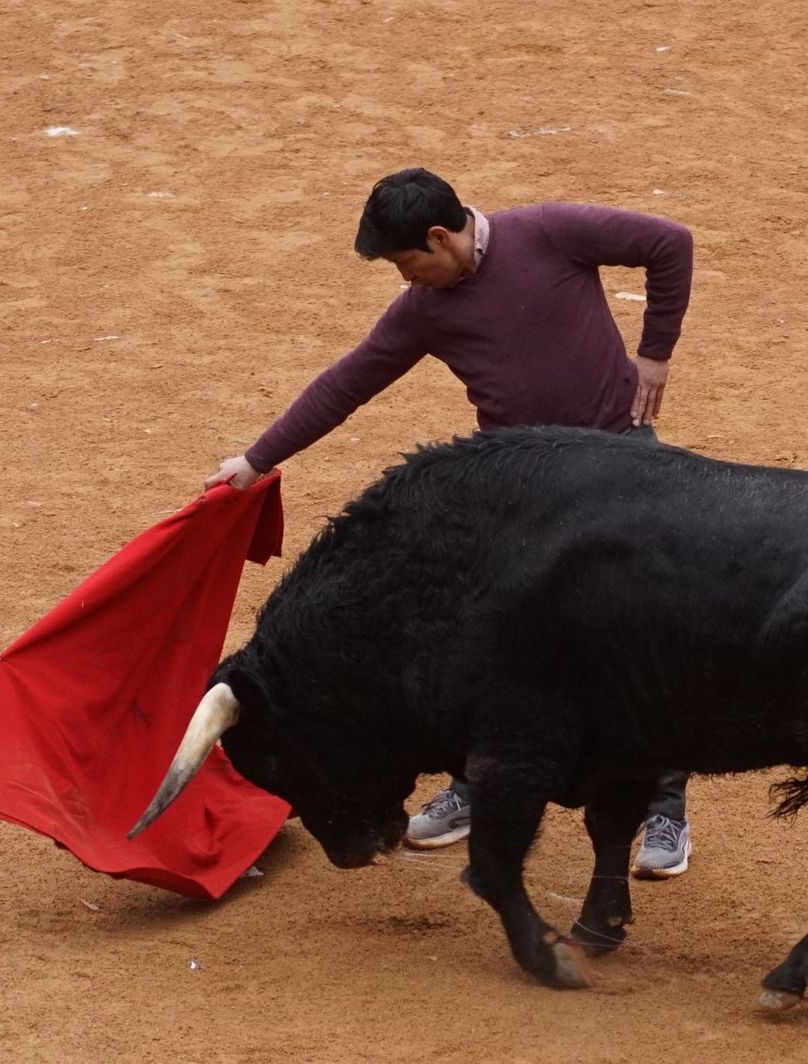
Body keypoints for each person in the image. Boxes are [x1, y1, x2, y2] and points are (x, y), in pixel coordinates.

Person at [204, 168, 696, 878]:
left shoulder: (550, 232)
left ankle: (665, 809)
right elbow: (348, 382)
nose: (406, 279)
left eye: (408, 263)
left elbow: (670, 243)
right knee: (485, 641)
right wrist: (255, 461)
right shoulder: (424, 309)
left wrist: (655, 352)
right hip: (514, 490)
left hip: (619, 468)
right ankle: (475, 784)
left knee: (643, 635)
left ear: (441, 237)